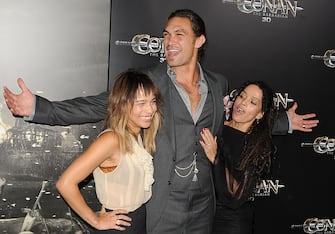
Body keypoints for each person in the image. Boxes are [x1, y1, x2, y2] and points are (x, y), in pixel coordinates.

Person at [3, 9, 318, 234]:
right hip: (159, 205)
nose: (168, 41)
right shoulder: (150, 82)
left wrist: (283, 124)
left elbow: (237, 119)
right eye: (166, 35)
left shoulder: (219, 84)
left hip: (204, 205)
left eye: (178, 34)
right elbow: (99, 105)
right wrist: (39, 109)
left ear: (199, 41)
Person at [56, 70, 163, 233]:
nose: (150, 109)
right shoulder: (111, 140)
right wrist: (96, 221)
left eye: (153, 101)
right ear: (122, 104)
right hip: (119, 227)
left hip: (138, 221)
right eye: (141, 103)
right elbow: (65, 183)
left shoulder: (137, 133)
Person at [200, 80, 279, 234]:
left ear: (260, 114)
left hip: (230, 223)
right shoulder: (216, 124)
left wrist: (216, 158)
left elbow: (236, 195)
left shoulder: (257, 146)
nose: (242, 103)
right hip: (201, 216)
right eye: (242, 96)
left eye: (252, 102)